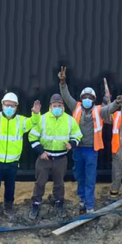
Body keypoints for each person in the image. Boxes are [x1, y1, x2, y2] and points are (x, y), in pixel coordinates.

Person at [59, 67, 118, 214]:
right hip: (78, 149)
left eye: (90, 98)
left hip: (91, 150)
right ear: (81, 98)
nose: (87, 99)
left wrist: (116, 103)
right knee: (80, 176)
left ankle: (90, 205)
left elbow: (110, 109)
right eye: (84, 97)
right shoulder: (76, 107)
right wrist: (62, 83)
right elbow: (66, 97)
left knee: (90, 178)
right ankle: (82, 200)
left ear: (93, 100)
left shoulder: (99, 110)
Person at [0, 92, 41, 222]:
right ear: (2, 105)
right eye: (7, 105)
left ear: (16, 107)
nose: (9, 108)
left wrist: (35, 113)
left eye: (12, 106)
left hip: (12, 163)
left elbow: (33, 122)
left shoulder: (21, 121)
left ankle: (8, 208)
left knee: (10, 188)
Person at [27, 93, 83, 221]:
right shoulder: (42, 119)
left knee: (59, 184)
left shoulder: (70, 120)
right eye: (54, 105)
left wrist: (72, 143)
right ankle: (35, 205)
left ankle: (59, 204)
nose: (57, 107)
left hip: (61, 158)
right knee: (40, 183)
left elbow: (77, 135)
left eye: (59, 105)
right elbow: (32, 137)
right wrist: (41, 152)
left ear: (63, 106)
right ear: (50, 106)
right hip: (44, 158)